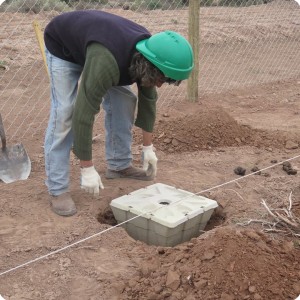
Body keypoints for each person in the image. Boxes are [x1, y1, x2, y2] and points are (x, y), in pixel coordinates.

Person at [43, 10, 194, 217]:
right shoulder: (108, 62)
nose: (160, 84)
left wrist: (148, 147)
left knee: (125, 100)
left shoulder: (151, 57)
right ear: (151, 67)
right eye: (162, 78)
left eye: (166, 81)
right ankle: (58, 188)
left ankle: (119, 165)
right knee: (65, 114)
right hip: (64, 46)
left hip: (102, 46)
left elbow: (148, 102)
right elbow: (84, 112)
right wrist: (87, 167)